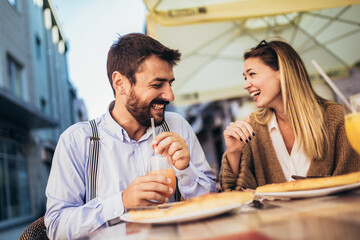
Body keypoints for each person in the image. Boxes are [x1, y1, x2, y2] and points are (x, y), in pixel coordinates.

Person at [45, 33, 217, 239]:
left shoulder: (176, 126)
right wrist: (122, 202)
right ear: (120, 83)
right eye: (157, 85)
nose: (170, 95)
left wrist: (185, 170)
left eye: (170, 83)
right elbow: (56, 227)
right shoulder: (77, 141)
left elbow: (212, 200)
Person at [220, 40, 360, 191]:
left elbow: (354, 182)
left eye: (252, 74)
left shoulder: (338, 119)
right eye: (245, 78)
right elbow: (236, 194)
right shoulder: (252, 128)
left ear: (283, 72)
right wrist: (234, 152)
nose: (246, 85)